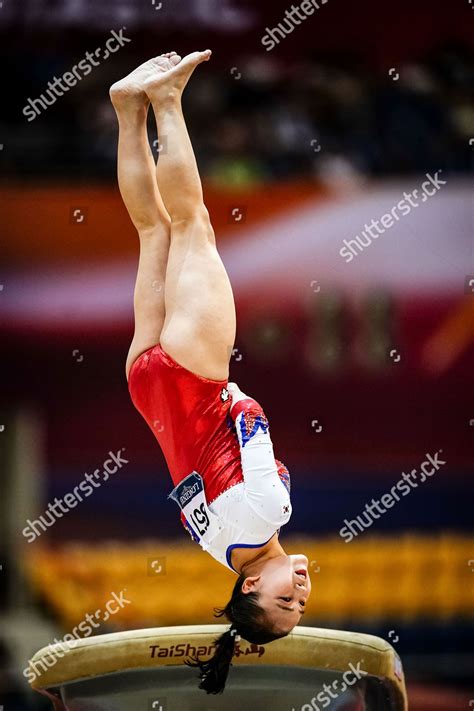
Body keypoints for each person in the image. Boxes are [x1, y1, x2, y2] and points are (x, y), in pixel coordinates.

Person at [110, 50, 312, 694]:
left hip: (195, 377)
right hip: (148, 386)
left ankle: (166, 101)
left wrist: (227, 388)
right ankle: (126, 110)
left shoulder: (269, 512)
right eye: (301, 608)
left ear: (252, 585)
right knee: (153, 231)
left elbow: (249, 416)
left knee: (193, 224)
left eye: (285, 602)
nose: (301, 594)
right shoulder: (217, 547)